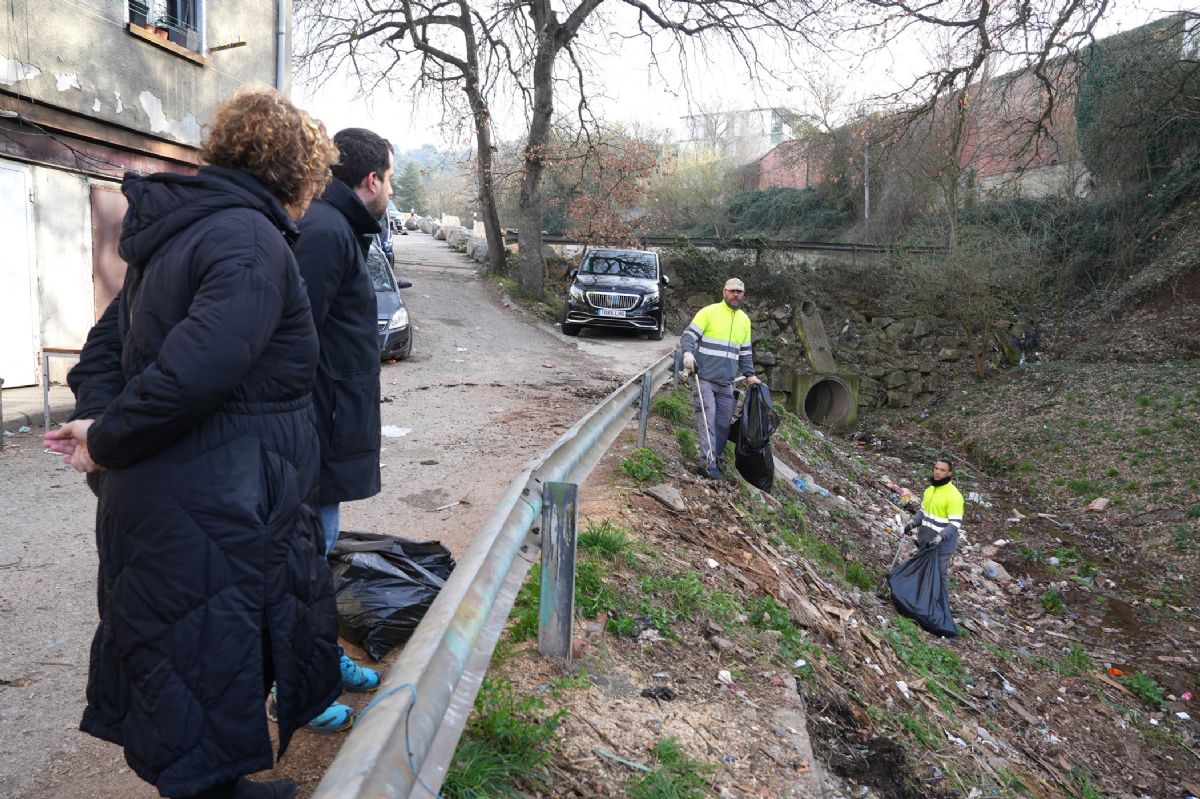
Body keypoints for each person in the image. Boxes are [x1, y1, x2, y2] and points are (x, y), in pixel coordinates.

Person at [44, 90, 342, 799]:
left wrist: (101, 428)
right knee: (208, 648)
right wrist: (104, 438)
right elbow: (195, 370)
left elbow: (103, 352)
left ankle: (220, 784)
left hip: (186, 490)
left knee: (196, 651)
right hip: (214, 498)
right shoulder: (249, 240)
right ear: (298, 171)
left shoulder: (189, 230)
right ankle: (208, 789)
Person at [288, 127, 394, 731]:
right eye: (390, 179)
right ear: (371, 180)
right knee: (305, 564)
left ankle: (321, 659)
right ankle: (297, 688)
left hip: (328, 426)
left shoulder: (337, 227)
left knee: (318, 557)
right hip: (315, 433)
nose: (390, 191)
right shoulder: (327, 233)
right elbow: (291, 340)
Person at [680, 278, 760, 480]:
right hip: (704, 377)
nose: (736, 295)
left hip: (726, 383)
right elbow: (688, 335)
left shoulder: (744, 320)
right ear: (724, 292)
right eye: (732, 291)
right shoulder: (709, 312)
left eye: (739, 292)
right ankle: (707, 465)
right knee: (708, 419)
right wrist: (688, 353)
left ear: (743, 295)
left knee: (723, 424)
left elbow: (745, 352)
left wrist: (750, 375)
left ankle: (717, 458)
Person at [904, 458, 965, 582]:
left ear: (949, 473)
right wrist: (913, 523)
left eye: (942, 470)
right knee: (921, 571)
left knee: (940, 576)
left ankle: (941, 596)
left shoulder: (954, 495)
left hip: (942, 546)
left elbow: (955, 523)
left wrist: (940, 537)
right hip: (925, 540)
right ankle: (919, 594)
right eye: (936, 468)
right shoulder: (930, 490)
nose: (937, 472)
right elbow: (923, 512)